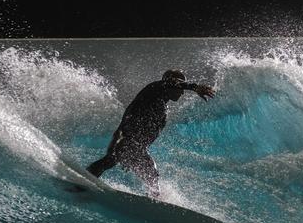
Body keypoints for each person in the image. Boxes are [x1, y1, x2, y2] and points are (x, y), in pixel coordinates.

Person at [86, 70, 215, 197]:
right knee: (109, 161)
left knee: (152, 176)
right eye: (180, 86)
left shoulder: (162, 105)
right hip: (128, 139)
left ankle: (153, 202)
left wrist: (134, 154)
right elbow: (171, 82)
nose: (182, 92)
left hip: (138, 147)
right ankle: (82, 183)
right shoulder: (153, 90)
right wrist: (194, 87)